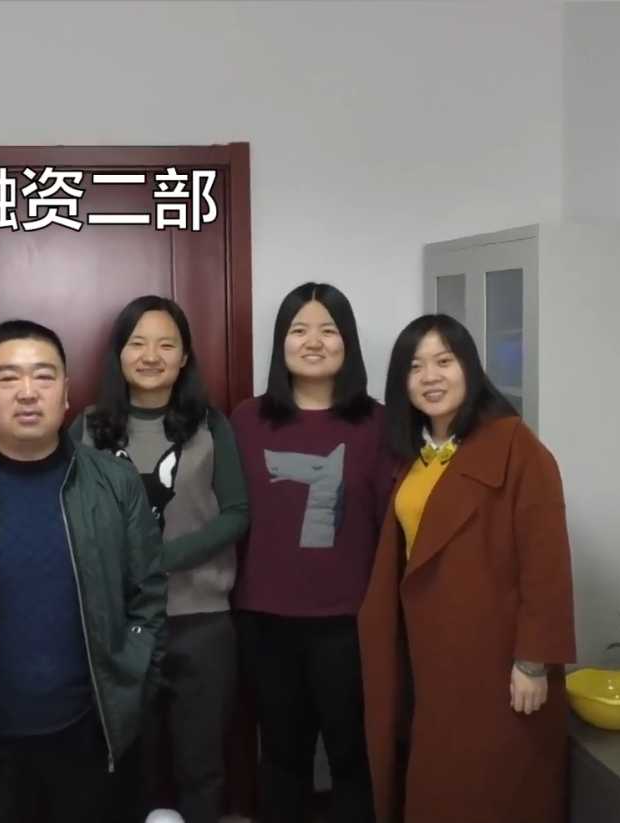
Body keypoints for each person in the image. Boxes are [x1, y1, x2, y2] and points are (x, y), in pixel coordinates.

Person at [0, 319, 167, 823]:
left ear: (66, 393)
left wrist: (133, 689)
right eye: (8, 378)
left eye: (43, 376)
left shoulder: (115, 483)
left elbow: (147, 597)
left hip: (93, 732)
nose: (27, 392)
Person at [358, 313, 576, 823]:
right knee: (440, 782)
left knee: (496, 789)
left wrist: (533, 662)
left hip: (497, 659)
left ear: (470, 368)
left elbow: (546, 561)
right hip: (431, 656)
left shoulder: (516, 447)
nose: (430, 377)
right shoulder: (416, 454)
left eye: (444, 361)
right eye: (415, 367)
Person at [72, 296, 249, 823]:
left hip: (201, 622)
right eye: (138, 343)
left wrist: (159, 558)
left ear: (184, 356)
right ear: (119, 353)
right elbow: (71, 517)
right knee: (130, 766)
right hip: (119, 625)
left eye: (166, 344)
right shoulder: (88, 429)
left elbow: (236, 513)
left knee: (202, 764)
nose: (151, 356)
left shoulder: (211, 426)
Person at [230, 282, 394, 823]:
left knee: (352, 757)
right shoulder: (247, 420)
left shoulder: (379, 423)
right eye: (299, 330)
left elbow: (395, 524)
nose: (314, 341)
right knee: (281, 759)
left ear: (348, 342)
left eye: (329, 330)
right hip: (265, 620)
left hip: (350, 622)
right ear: (281, 342)